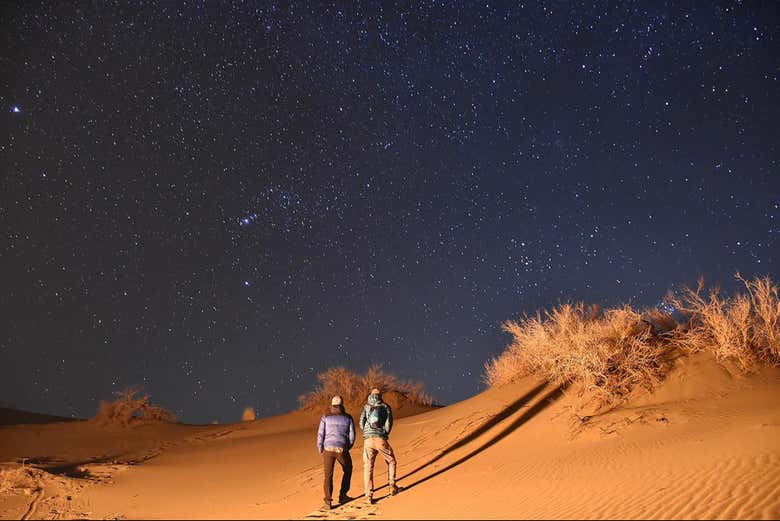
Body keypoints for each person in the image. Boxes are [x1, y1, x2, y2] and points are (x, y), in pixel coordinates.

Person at [359, 388, 400, 504]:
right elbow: (389, 422)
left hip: (368, 440)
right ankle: (392, 486)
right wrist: (384, 433)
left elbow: (361, 422)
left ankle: (368, 495)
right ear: (380, 395)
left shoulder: (366, 406)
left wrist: (366, 432)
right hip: (380, 438)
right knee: (391, 461)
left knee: (368, 467)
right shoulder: (385, 406)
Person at [317, 395, 356, 510]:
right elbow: (352, 436)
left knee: (328, 475)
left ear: (332, 405)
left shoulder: (325, 417)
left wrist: (320, 447)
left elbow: (320, 434)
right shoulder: (348, 417)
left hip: (327, 449)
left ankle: (328, 502)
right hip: (341, 449)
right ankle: (343, 495)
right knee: (348, 469)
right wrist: (347, 446)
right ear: (342, 404)